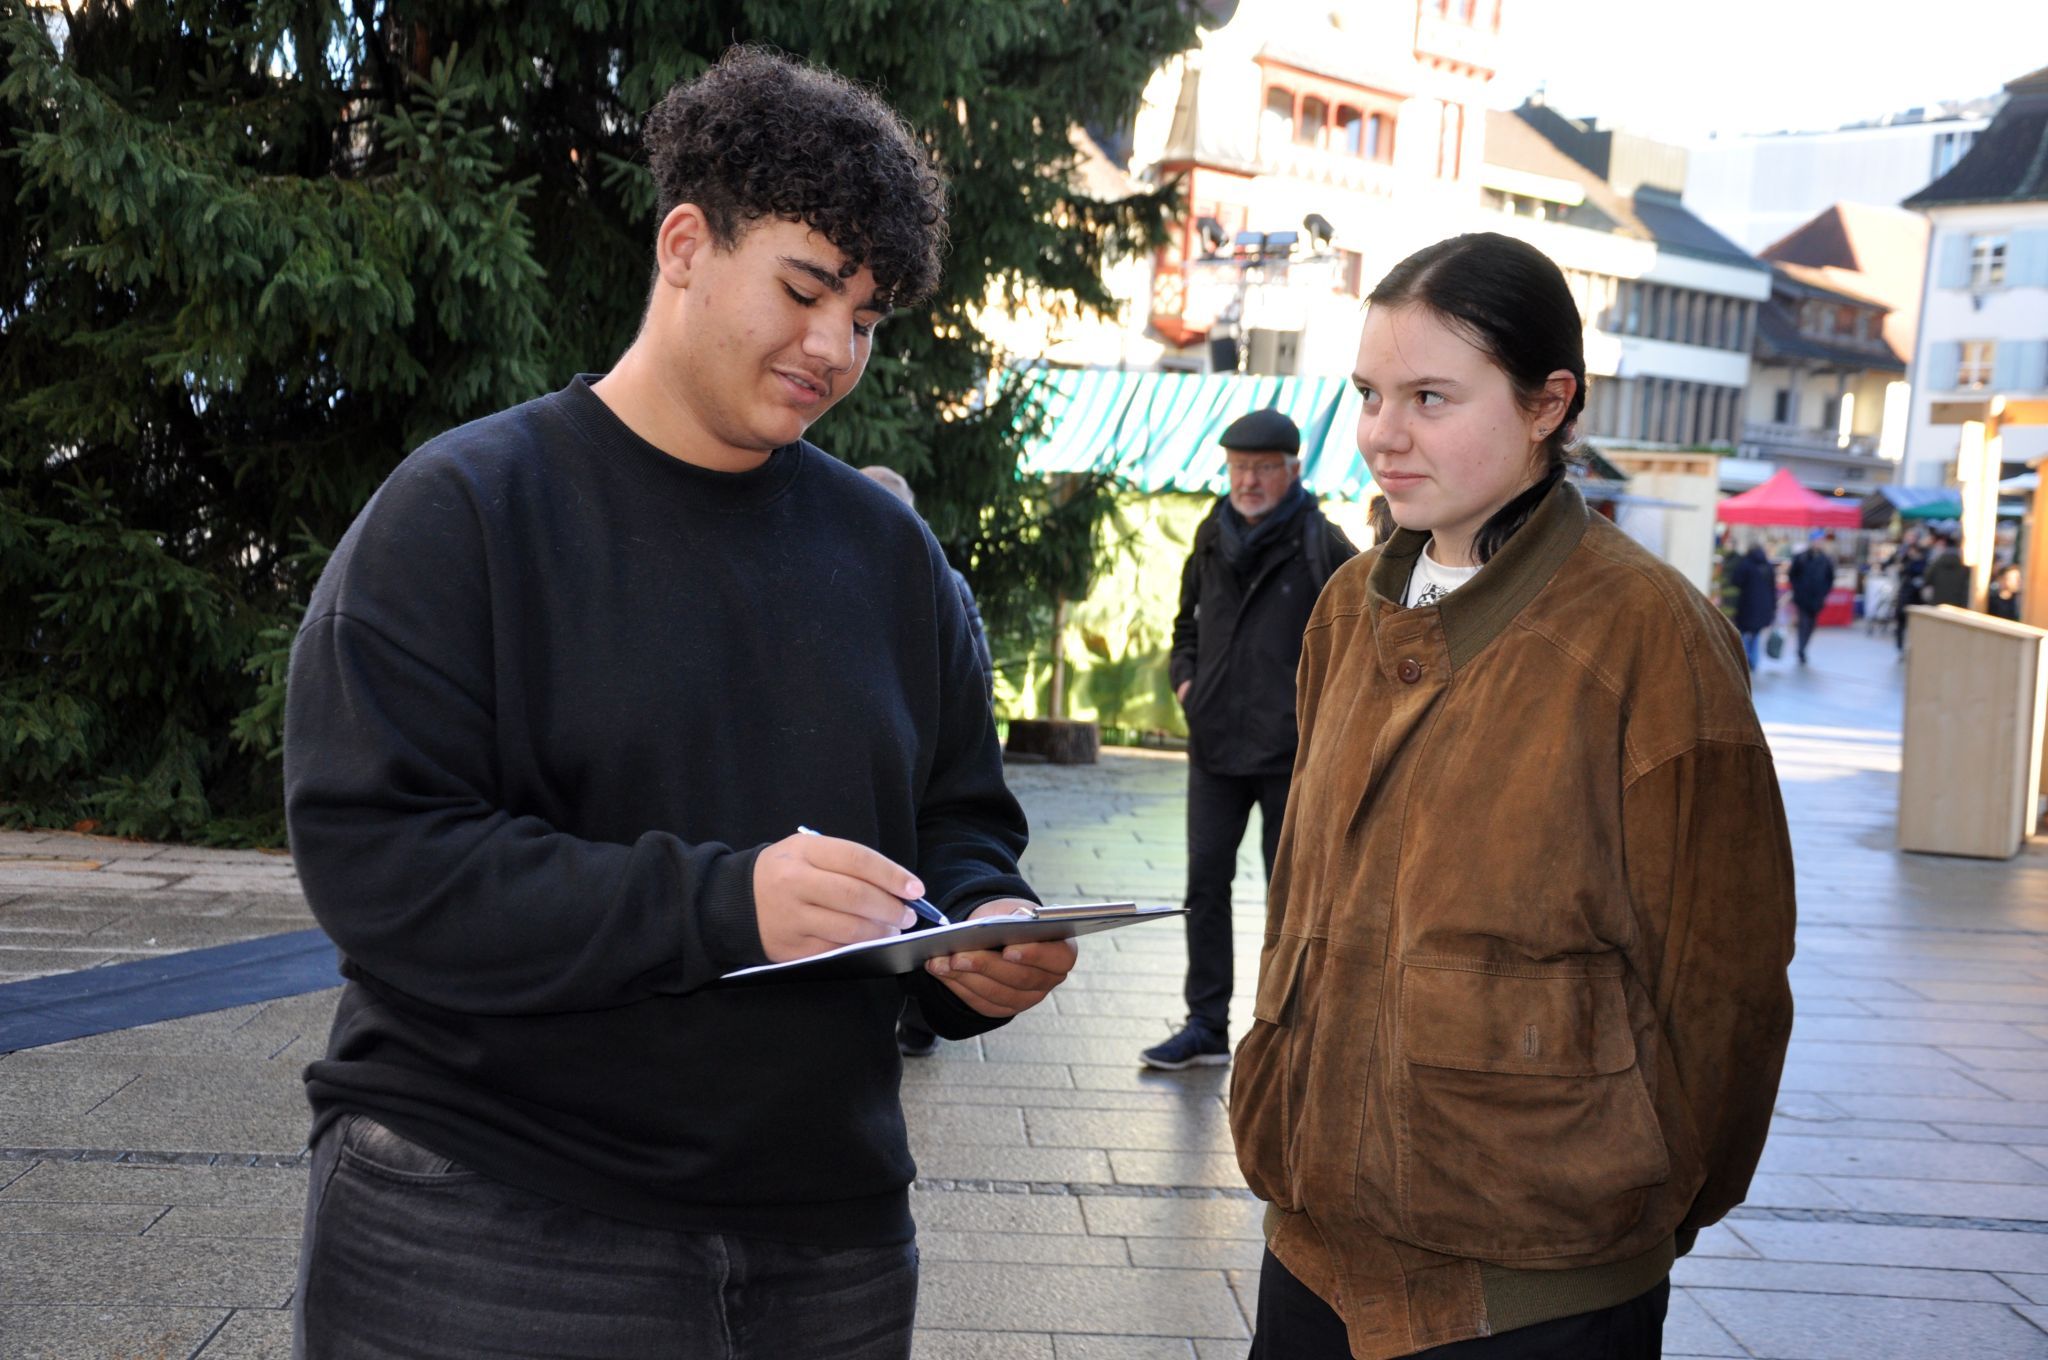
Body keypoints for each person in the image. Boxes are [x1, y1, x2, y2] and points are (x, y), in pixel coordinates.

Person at [282, 48, 1078, 1360]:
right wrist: (725, 906)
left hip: (827, 1244)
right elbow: (382, 866)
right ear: (688, 244)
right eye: (807, 288)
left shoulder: (892, 561)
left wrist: (979, 936)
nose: (835, 349)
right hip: (488, 1224)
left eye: (869, 318)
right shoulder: (465, 514)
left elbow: (958, 827)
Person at [1230, 232, 1795, 1360]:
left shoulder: (1649, 635)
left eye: (1430, 396)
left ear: (1547, 403)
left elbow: (1722, 986)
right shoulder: (1347, 605)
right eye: (1368, 394)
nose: (1381, 434)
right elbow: (1303, 889)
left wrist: (1635, 1203)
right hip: (1313, 1249)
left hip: (1535, 1285)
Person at [1147, 409, 1357, 1070]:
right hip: (1214, 748)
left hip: (1292, 756)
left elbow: (1359, 644)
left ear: (1293, 470)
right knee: (1202, 887)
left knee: (1289, 896)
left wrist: (1321, 720)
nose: (1250, 480)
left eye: (1264, 467)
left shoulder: (1323, 545)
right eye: (1239, 467)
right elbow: (1185, 629)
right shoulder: (1211, 536)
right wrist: (1187, 687)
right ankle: (1206, 1025)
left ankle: (1287, 1031)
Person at [859, 463, 994, 1058]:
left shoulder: (938, 581)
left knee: (915, 890)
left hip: (920, 763)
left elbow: (972, 672)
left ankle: (919, 1013)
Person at [1786, 531, 1836, 664]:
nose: (1818, 543)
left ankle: (1803, 647)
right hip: (1803, 597)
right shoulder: (1801, 557)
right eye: (1816, 541)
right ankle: (1801, 649)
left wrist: (1824, 592)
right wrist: (1797, 589)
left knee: (1811, 625)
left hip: (1817, 598)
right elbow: (1792, 575)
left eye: (1820, 541)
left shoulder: (1826, 559)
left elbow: (1830, 578)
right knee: (1803, 623)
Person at [1731, 542, 1779, 670]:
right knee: (1756, 634)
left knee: (1744, 633)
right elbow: (1773, 588)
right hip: (1764, 606)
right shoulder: (1768, 566)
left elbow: (1736, 580)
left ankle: (1744, 659)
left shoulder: (1746, 564)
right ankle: (1754, 660)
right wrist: (1773, 607)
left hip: (1747, 605)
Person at [1894, 531, 1930, 651]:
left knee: (1904, 624)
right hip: (1911, 599)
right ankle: (1902, 646)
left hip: (1910, 599)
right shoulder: (1910, 561)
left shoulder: (1914, 563)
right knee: (1905, 624)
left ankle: (1902, 646)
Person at [1923, 531, 1970, 608]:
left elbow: (1927, 578)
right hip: (1957, 604)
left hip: (1938, 602)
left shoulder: (1937, 563)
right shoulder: (1964, 566)